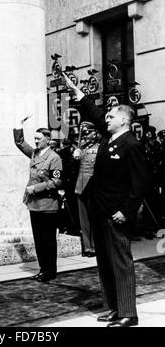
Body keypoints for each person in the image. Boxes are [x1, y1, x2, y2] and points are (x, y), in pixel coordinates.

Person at [63, 74, 150, 327]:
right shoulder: (108, 138)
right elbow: (94, 113)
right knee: (104, 263)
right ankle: (112, 307)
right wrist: (78, 93)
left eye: (111, 116)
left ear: (124, 119)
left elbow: (141, 182)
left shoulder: (130, 144)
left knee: (121, 263)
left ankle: (128, 313)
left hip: (116, 213)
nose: (106, 118)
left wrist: (127, 210)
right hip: (99, 210)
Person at [13, 117, 62, 282]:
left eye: (38, 139)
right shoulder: (34, 153)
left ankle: (50, 271)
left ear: (47, 140)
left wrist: (36, 188)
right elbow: (20, 143)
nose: (35, 142)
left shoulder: (54, 157)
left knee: (48, 240)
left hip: (48, 204)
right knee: (39, 240)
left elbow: (57, 182)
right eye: (34, 139)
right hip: (34, 204)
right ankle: (43, 269)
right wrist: (18, 125)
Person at [73, 121, 99, 257]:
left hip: (92, 189)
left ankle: (94, 246)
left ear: (95, 133)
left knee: (93, 219)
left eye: (88, 133)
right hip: (80, 187)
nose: (85, 136)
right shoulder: (80, 148)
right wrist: (75, 157)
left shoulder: (99, 148)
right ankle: (87, 247)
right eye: (84, 134)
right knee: (83, 220)